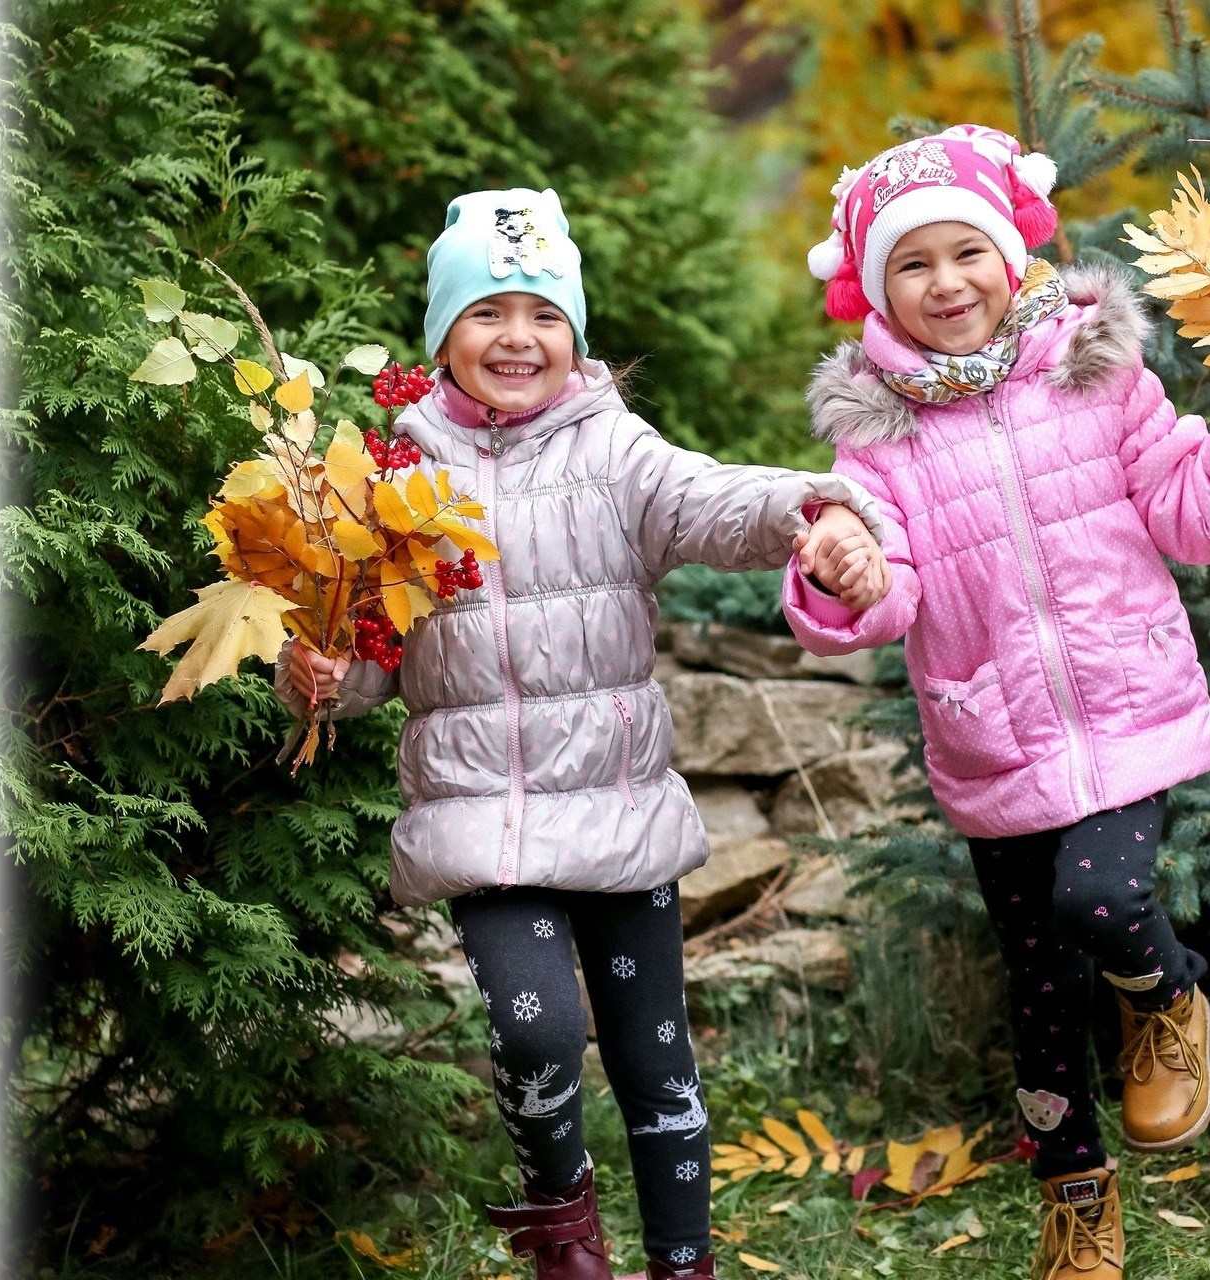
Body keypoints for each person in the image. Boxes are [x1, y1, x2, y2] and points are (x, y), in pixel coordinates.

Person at [279, 187, 896, 1280]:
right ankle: (563, 1228)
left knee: (656, 1057)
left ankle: (683, 1260)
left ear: (572, 332)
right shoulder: (387, 477)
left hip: (615, 808)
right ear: (441, 334)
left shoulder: (617, 452)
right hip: (485, 818)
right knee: (536, 1031)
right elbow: (370, 658)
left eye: (542, 314)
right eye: (485, 312)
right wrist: (317, 678)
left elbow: (716, 500)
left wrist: (816, 510)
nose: (516, 337)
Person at [780, 126, 1210, 1280]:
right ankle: (1076, 1204)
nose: (945, 281)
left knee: (1101, 896)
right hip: (990, 735)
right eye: (912, 263)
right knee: (1042, 993)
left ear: (1010, 256)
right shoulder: (876, 439)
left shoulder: (1096, 372)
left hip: (1125, 706)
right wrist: (833, 567)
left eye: (966, 251)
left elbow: (1192, 514)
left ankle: (1167, 996)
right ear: (874, 287)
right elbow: (878, 584)